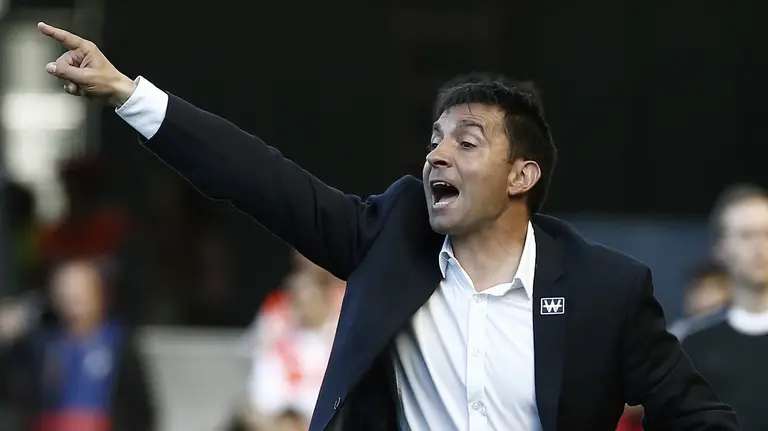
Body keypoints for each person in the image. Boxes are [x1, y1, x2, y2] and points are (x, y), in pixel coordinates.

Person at [36, 22, 737, 431]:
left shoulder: (604, 288)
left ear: (522, 175)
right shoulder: (390, 236)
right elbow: (259, 175)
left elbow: (698, 417)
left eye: (466, 141)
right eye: (433, 138)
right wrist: (130, 95)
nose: (436, 153)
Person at [678, 184, 768, 431]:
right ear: (720, 247)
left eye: (766, 233)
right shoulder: (694, 345)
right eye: (746, 235)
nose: (759, 248)